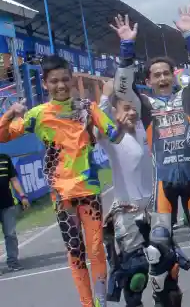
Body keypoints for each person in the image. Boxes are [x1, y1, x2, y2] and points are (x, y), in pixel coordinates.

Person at [111, 12, 190, 307]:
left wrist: (189, 36)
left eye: (165, 73)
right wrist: (126, 46)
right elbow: (122, 88)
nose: (162, 78)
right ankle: (165, 296)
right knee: (158, 246)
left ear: (173, 75)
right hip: (162, 184)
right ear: (148, 80)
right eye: (156, 75)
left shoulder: (187, 97)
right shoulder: (144, 105)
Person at [0, 55, 123, 307]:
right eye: (54, 81)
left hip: (89, 190)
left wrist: (120, 118)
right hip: (61, 195)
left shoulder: (87, 108)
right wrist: (10, 112)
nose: (61, 85)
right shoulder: (37, 115)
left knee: (96, 248)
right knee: (75, 252)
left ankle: (100, 302)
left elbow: (115, 135)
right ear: (45, 84)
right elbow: (2, 137)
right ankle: (87, 304)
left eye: (65, 79)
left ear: (72, 80)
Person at [97, 80, 153, 307]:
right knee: (136, 272)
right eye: (126, 109)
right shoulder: (113, 137)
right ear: (114, 112)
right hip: (128, 214)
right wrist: (105, 97)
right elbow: (97, 124)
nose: (131, 113)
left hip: (153, 211)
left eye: (134, 108)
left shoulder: (142, 129)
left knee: (165, 268)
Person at [0, 152, 30, 273]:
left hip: (7, 204)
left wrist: (23, 196)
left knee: (10, 234)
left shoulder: (5, 158)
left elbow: (14, 179)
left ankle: (13, 262)